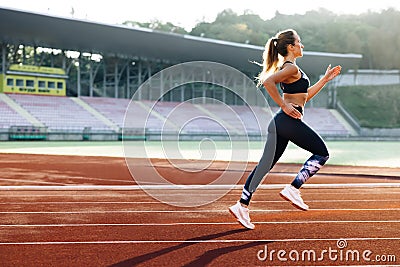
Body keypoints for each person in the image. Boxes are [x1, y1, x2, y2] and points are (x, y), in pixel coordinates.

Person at [229, 29, 342, 229]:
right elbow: (268, 81)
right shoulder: (290, 69)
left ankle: (241, 205)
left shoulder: (292, 69)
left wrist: (324, 80)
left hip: (280, 124)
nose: (302, 45)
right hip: (286, 122)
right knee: (321, 153)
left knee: (264, 166)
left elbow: (305, 95)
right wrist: (283, 105)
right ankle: (293, 188)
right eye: (299, 42)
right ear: (291, 47)